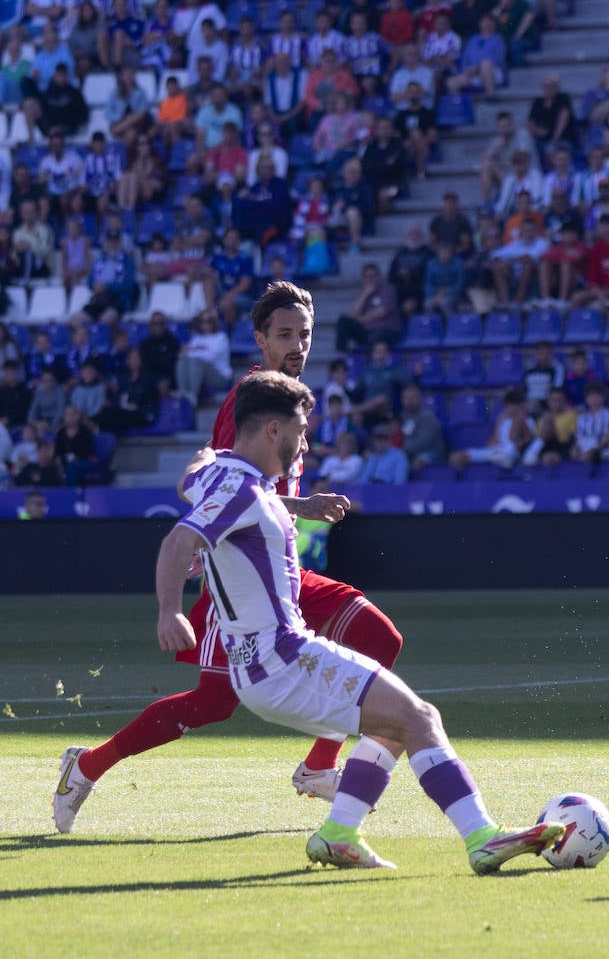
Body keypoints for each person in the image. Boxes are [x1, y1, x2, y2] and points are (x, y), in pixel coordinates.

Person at [126, 370, 562, 870]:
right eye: (300, 429)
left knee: (393, 724)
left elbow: (192, 475)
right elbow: (178, 540)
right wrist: (169, 610)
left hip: (262, 663)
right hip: (282, 658)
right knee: (421, 718)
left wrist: (208, 459)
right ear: (273, 430)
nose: (304, 440)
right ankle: (481, 837)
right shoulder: (243, 491)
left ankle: (339, 833)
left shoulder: (225, 474)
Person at [52, 282, 407, 834]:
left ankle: (319, 767)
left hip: (285, 573)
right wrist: (298, 506)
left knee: (380, 639)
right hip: (240, 580)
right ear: (260, 338)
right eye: (284, 334)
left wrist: (298, 505)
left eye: (304, 334)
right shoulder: (248, 401)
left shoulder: (291, 399)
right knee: (213, 704)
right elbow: (219, 486)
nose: (297, 344)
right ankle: (88, 764)